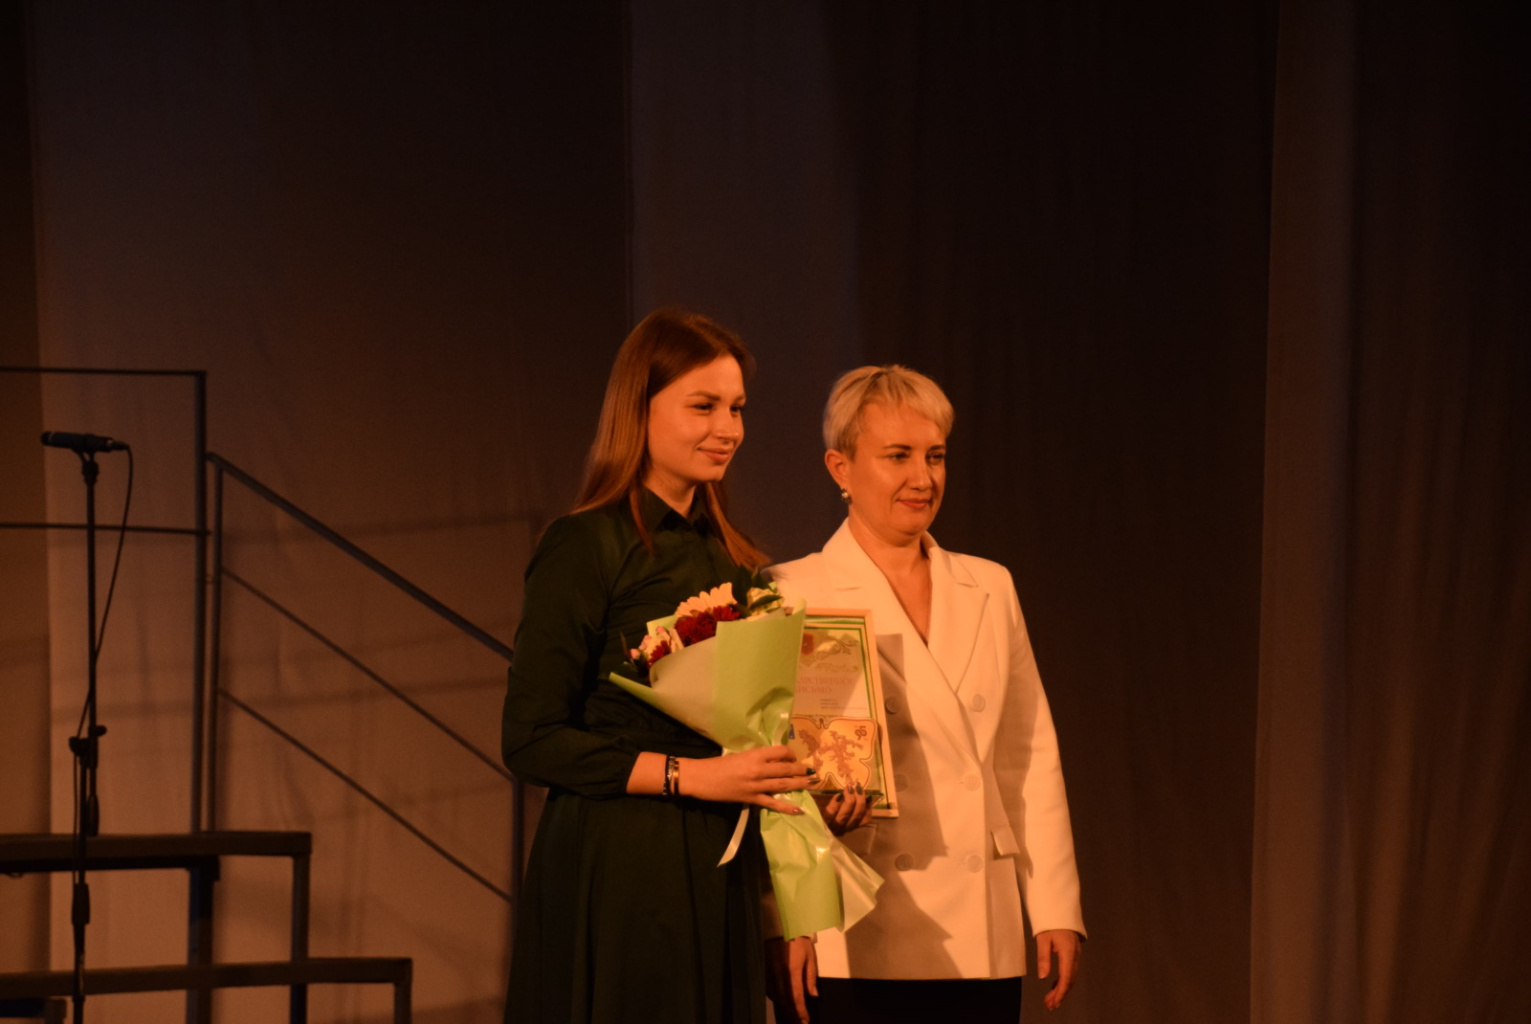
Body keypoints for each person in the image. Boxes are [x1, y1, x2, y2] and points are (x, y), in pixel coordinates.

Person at [501, 309, 813, 1024]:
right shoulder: (586, 544)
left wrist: (786, 902)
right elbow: (530, 738)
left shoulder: (733, 560)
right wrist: (690, 776)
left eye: (736, 408)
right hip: (619, 862)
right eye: (703, 406)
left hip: (718, 862)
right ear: (638, 409)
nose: (727, 428)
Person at [767, 366, 1086, 1024]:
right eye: (897, 456)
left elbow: (1027, 754)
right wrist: (781, 919)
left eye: (934, 456)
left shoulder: (989, 586)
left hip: (978, 926)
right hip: (851, 922)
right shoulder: (791, 591)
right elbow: (767, 778)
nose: (922, 478)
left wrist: (1055, 905)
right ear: (840, 467)